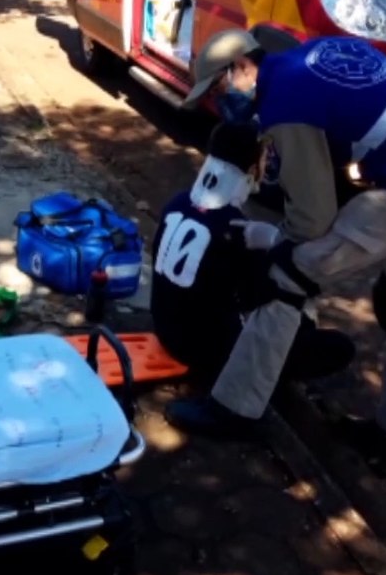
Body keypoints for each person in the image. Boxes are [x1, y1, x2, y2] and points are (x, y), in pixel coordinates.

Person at [165, 29, 386, 474]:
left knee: (286, 278)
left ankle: (234, 409)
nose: (222, 104)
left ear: (242, 67)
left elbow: (312, 219)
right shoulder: (309, 55)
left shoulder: (284, 105)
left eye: (219, 89)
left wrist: (274, 243)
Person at [151, 120, 356, 385]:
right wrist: (274, 245)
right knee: (337, 346)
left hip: (165, 327)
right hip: (204, 350)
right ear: (251, 169)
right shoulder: (237, 231)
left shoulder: (176, 203)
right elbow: (258, 296)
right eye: (263, 159)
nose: (265, 167)